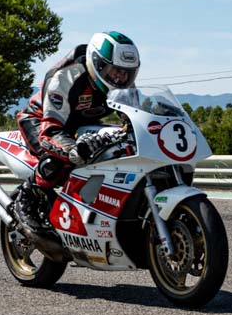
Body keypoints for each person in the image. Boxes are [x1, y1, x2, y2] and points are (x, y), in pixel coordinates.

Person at [13, 30, 141, 231]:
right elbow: (50, 132)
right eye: (115, 70)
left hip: (82, 123)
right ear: (98, 64)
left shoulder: (125, 84)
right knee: (58, 161)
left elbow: (133, 120)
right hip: (43, 120)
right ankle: (26, 198)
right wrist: (74, 149)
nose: (121, 77)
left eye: (127, 72)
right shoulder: (66, 76)